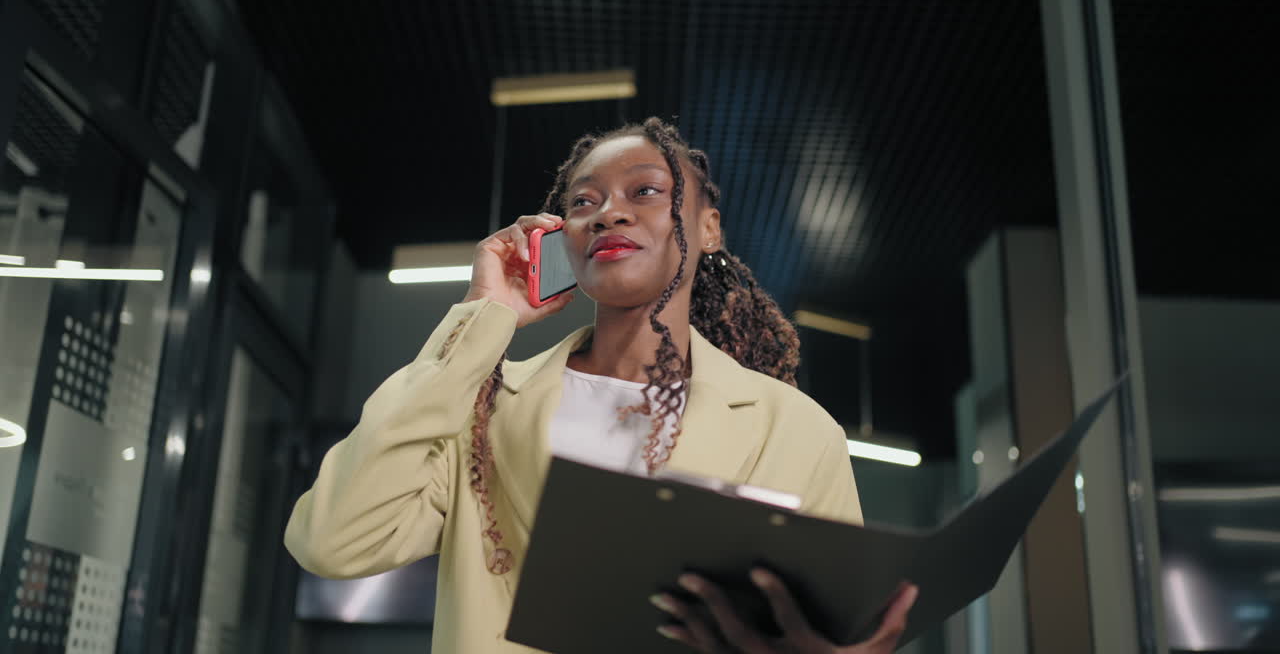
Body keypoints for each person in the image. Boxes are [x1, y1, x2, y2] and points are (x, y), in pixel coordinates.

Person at [284, 117, 918, 653]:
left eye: (645, 191)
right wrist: (482, 319)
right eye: (583, 203)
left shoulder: (795, 429)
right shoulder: (481, 406)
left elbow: (834, 623)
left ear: (708, 228)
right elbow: (333, 541)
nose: (608, 212)